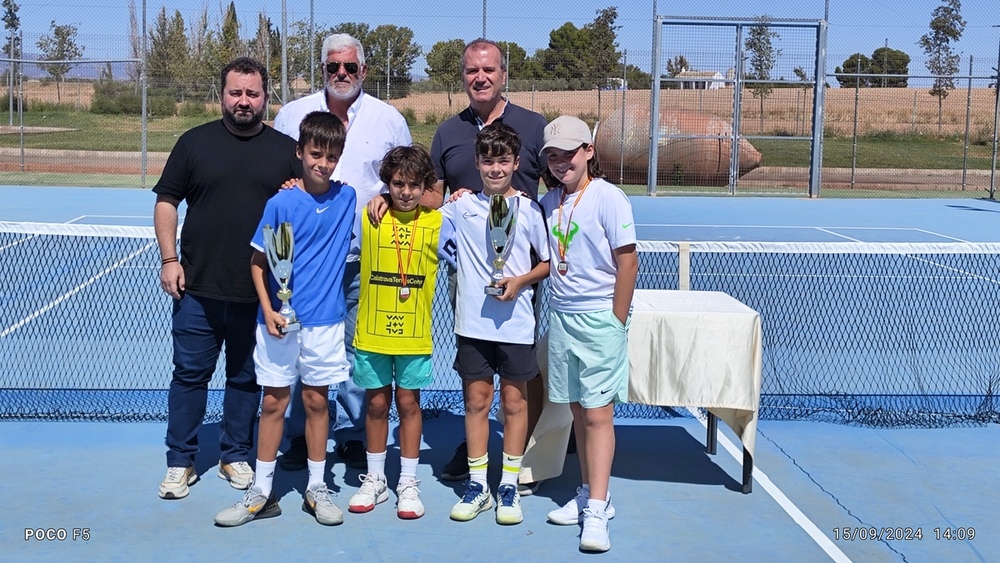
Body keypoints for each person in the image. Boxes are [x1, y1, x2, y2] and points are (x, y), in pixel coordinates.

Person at [154, 57, 301, 500]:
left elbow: (301, 213)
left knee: (245, 379)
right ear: (222, 94)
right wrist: (169, 259)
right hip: (196, 287)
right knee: (190, 375)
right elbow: (167, 203)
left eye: (252, 94)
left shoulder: (285, 150)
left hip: (258, 293)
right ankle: (180, 461)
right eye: (235, 93)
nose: (243, 101)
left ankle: (235, 454)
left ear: (265, 97)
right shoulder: (193, 143)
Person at [273, 33, 412, 472]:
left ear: (364, 71)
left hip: (364, 260)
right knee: (299, 345)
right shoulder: (292, 114)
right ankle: (299, 434)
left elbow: (404, 178)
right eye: (333, 66)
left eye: (350, 67)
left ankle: (353, 434)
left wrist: (390, 199)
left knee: (357, 348)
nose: (341, 74)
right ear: (323, 70)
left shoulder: (389, 120)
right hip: (303, 264)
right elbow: (279, 173)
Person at [214, 111, 356, 527]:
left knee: (317, 401)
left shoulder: (347, 199)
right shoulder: (280, 202)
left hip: (326, 324)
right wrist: (270, 308)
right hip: (277, 322)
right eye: (315, 154)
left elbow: (390, 194)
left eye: (331, 157)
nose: (322, 164)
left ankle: (316, 488)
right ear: (299, 153)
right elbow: (258, 263)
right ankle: (261, 491)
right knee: (274, 402)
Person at [428, 37, 551, 493]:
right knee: (477, 377)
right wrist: (441, 201)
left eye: (489, 70)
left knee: (523, 372)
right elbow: (430, 193)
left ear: (503, 74)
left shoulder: (535, 126)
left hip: (522, 273)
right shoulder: (447, 131)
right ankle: (475, 452)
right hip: (470, 275)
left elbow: (556, 186)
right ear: (462, 76)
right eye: (471, 71)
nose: (480, 78)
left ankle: (528, 453)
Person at [439, 123, 550, 524]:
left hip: (516, 326)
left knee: (514, 402)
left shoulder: (530, 210)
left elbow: (548, 262)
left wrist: (519, 281)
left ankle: (508, 485)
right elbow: (418, 215)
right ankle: (477, 485)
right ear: (477, 163)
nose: (496, 169)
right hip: (472, 326)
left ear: (516, 163)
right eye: (488, 161)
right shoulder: (460, 208)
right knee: (476, 402)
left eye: (504, 161)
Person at [538, 116, 638, 552]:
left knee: (599, 415)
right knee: (579, 412)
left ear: (589, 152)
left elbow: (628, 261)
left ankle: (598, 508)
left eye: (570, 153)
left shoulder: (609, 198)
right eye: (554, 156)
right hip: (560, 319)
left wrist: (615, 320)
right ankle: (587, 494)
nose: (563, 163)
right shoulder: (548, 202)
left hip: (599, 320)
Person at [346, 145, 453, 520]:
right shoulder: (368, 217)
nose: (405, 192)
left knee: (408, 404)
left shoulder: (438, 222)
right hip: (372, 334)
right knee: (376, 404)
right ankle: (375, 478)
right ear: (386, 184)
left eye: (413, 185)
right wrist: (377, 199)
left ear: (426, 186)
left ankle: (407, 481)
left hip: (413, 336)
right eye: (397, 184)